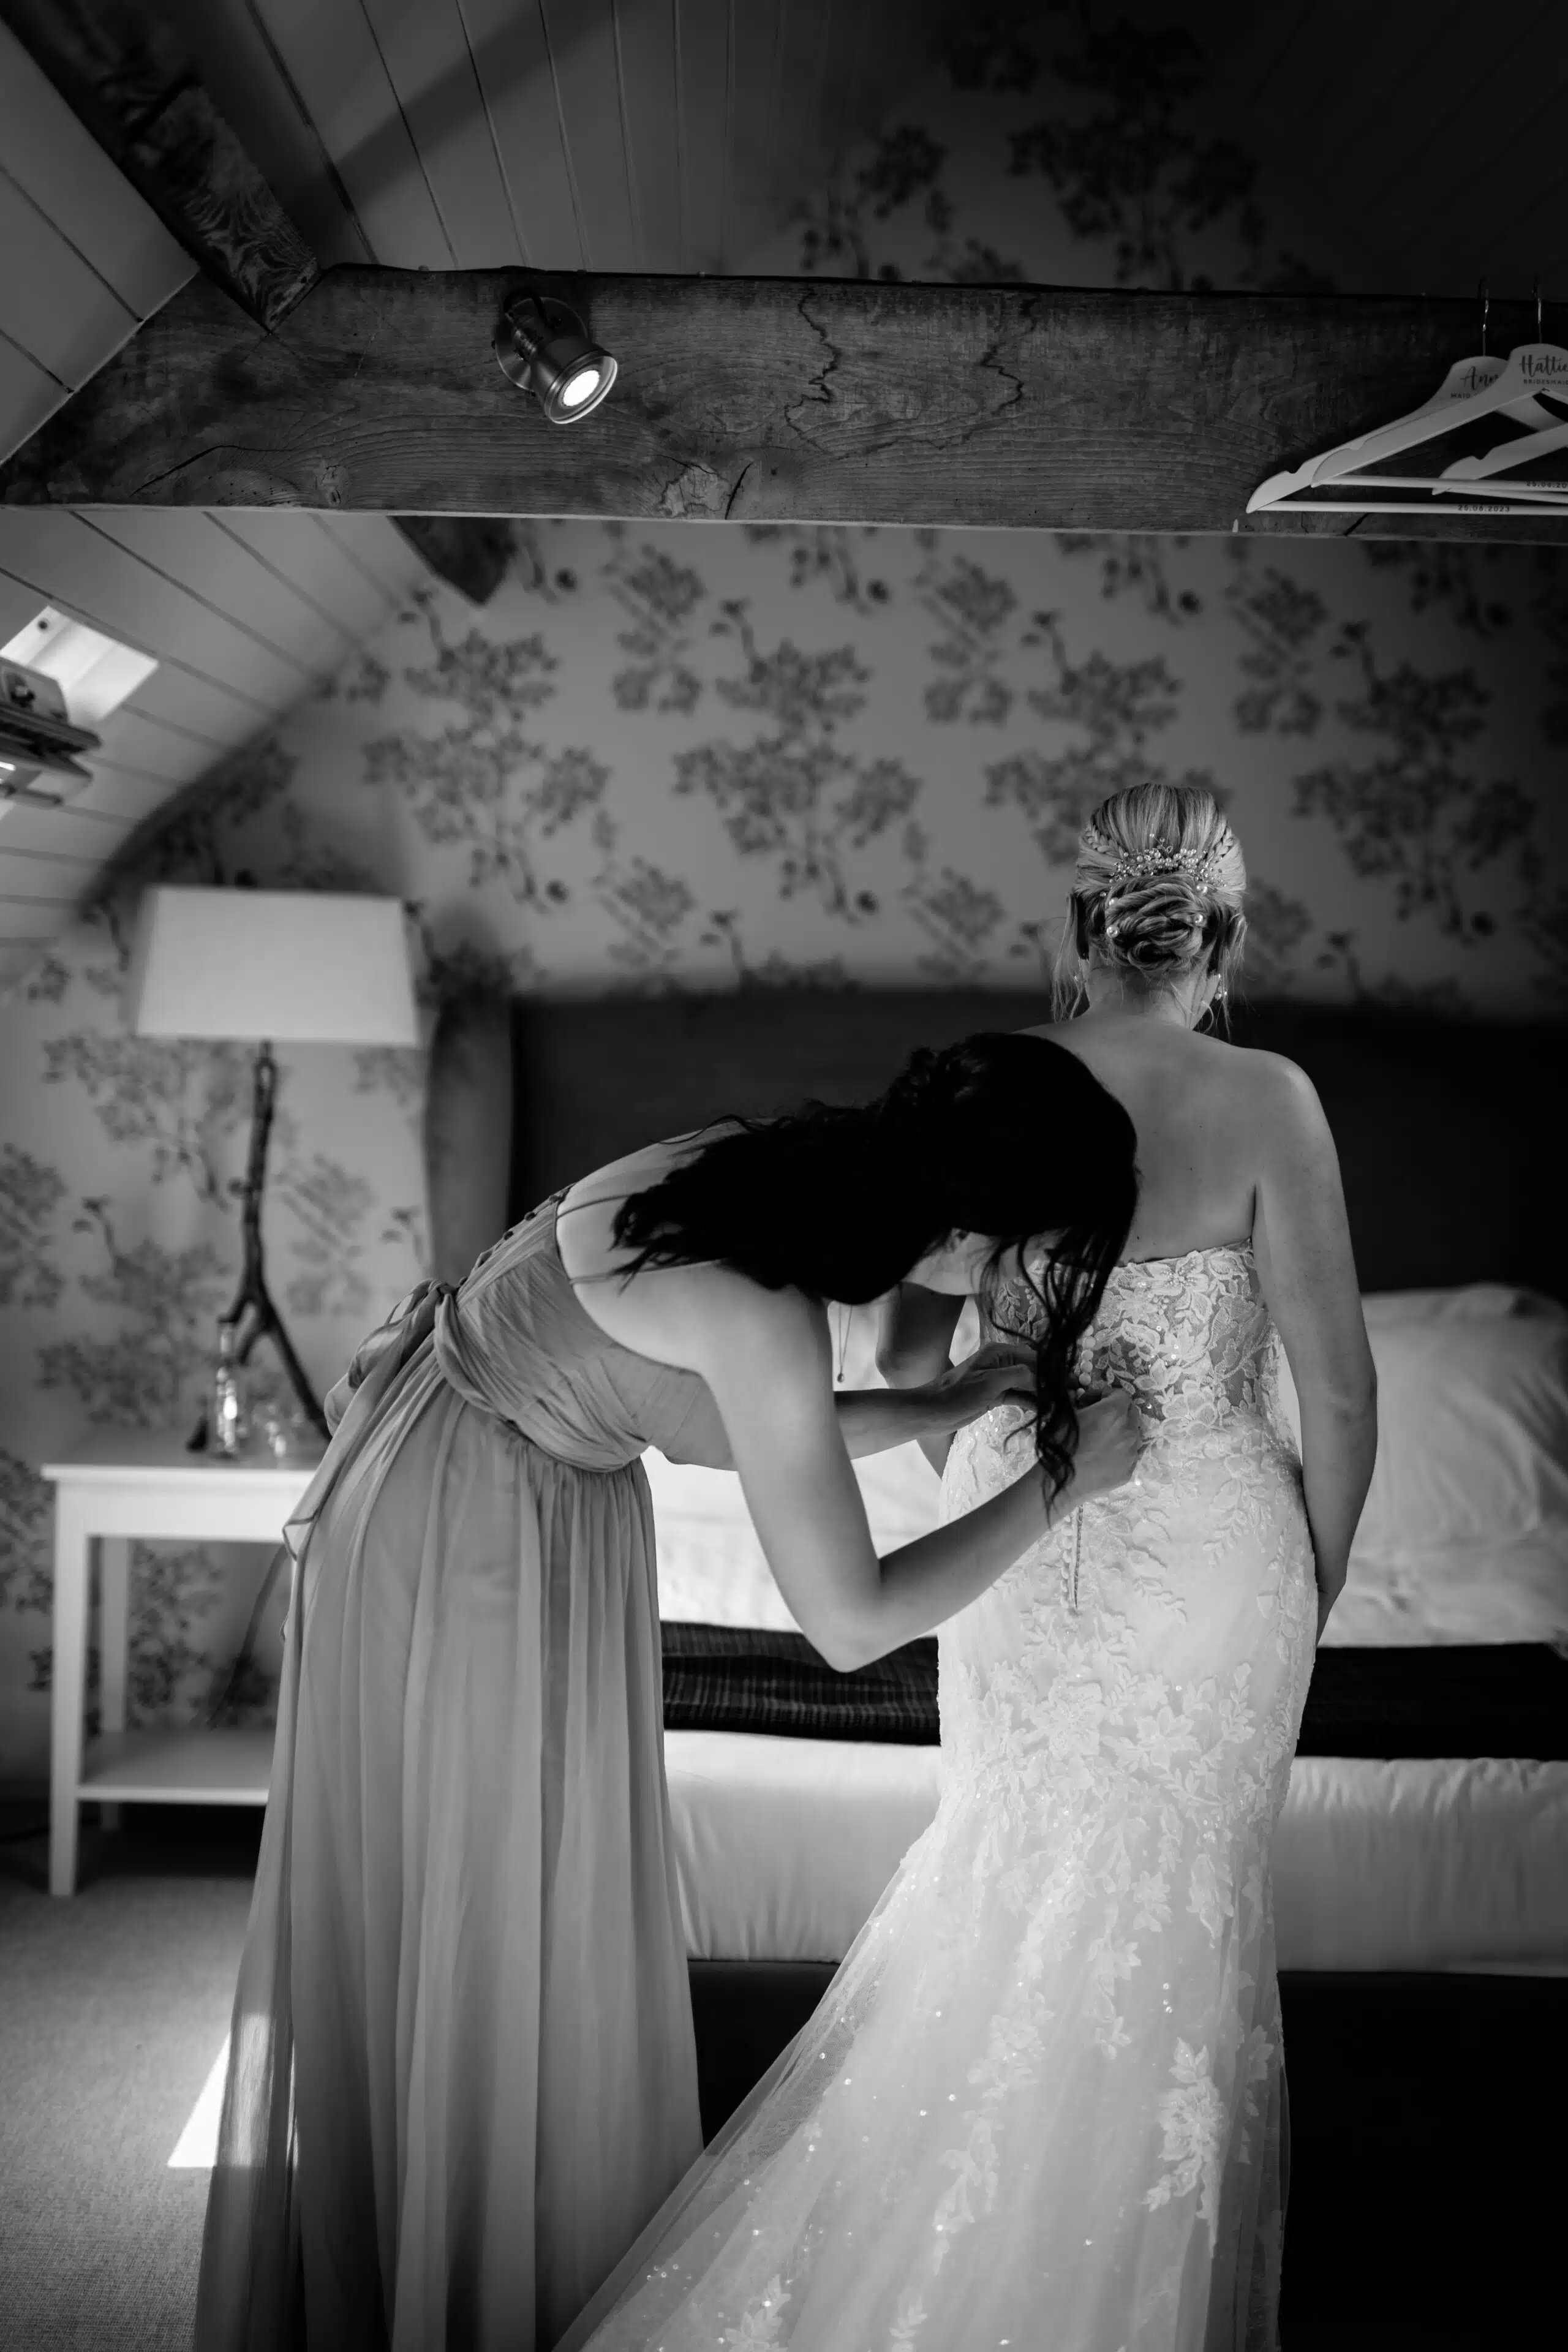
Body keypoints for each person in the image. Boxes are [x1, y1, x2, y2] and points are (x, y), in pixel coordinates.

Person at [557, 783, 1377, 2352]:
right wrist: (1309, 1586)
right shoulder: (1271, 1095)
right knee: (1174, 1922)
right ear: (1220, 941)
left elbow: (910, 1324)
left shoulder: (1002, 1090)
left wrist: (977, 1405)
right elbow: (1338, 1392)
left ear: (1075, 936)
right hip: (1217, 1555)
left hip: (1026, 1541)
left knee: (1007, 1869)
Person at [192, 1030, 1143, 2352]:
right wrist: (1063, 1484)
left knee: (480, 1906)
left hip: (477, 1480)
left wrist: (934, 1405)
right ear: (963, 1236)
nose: (1020, 1284)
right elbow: (852, 1621)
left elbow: (738, 1423)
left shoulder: (737, 1176)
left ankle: (453, 2271)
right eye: (1026, 1253)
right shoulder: (763, 1312)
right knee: (474, 1912)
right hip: (461, 1536)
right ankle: (449, 2301)